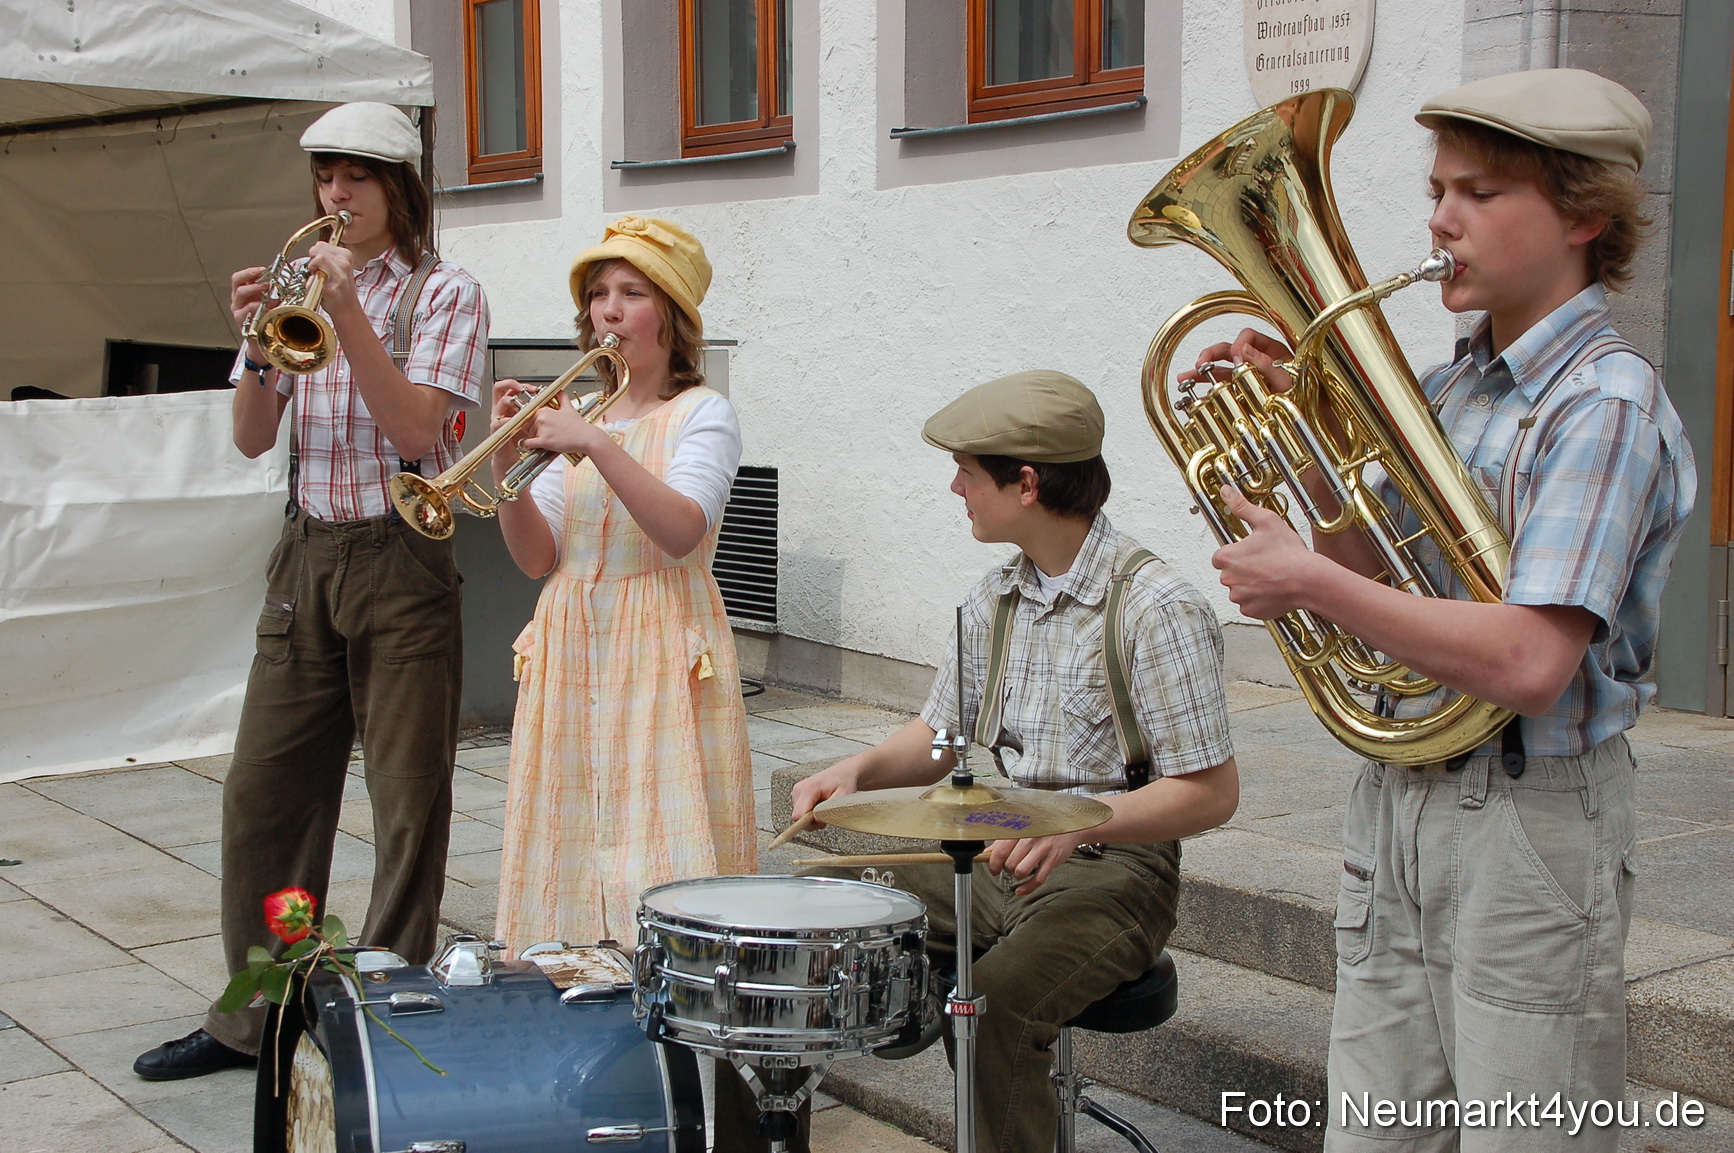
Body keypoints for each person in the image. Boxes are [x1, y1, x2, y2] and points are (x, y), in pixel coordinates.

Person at [1197, 70, 1695, 1151]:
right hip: (1404, 799)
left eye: (1479, 192)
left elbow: (1527, 660)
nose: (1439, 219)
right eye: (1436, 190)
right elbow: (1387, 573)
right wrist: (1304, 442)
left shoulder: (1602, 407)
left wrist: (1311, 583)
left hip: (1529, 815)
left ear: (1583, 217)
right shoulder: (1451, 385)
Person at [735, 370, 1240, 1152]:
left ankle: (961, 1031)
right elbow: (942, 737)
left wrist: (1078, 825)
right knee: (814, 912)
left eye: (968, 472)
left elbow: (1210, 793)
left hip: (1117, 872)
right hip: (1002, 849)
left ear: (1026, 482)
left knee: (996, 1002)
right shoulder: (992, 599)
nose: (954, 487)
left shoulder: (1156, 607)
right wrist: (860, 769)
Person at [133, 102, 490, 1080]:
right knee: (264, 795)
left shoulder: (443, 292)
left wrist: (350, 318)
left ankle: (381, 1013)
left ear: (401, 190)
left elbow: (420, 430)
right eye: (327, 179)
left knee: (407, 802)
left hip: (401, 555)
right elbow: (253, 435)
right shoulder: (305, 284)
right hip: (306, 551)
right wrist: (255, 339)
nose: (338, 197)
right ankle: (256, 1017)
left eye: (358, 179)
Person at [490, 216, 755, 952]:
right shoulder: (578, 417)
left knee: (663, 830)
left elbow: (682, 531)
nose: (608, 308)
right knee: (569, 828)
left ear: (671, 316)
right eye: (599, 294)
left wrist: (595, 445)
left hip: (660, 637)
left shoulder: (702, 413)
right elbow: (537, 557)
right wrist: (505, 468)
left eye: (632, 292)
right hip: (571, 636)